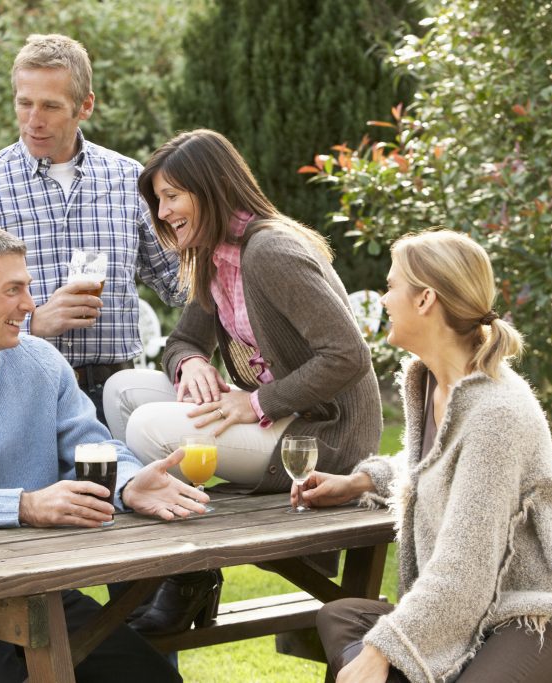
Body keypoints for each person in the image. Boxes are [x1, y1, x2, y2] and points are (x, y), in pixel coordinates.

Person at [0, 223, 207, 683]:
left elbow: (94, 443)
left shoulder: (41, 362)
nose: (30, 304)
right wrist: (25, 505)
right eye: (13, 290)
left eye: (26, 288)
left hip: (40, 594)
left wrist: (128, 482)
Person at [102, 129, 383, 636]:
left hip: (322, 434)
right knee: (123, 389)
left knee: (147, 427)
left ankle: (181, 578)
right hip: (272, 415)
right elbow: (181, 342)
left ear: (210, 190)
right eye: (159, 200)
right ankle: (194, 576)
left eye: (171, 197)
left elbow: (348, 355)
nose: (162, 213)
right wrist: (191, 365)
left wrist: (256, 402)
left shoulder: (269, 251)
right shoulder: (212, 255)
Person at [304, 229, 552, 683]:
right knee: (340, 618)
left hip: (536, 610)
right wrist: (361, 481)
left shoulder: (496, 412)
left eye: (391, 287)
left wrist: (387, 647)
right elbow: (437, 465)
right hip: (477, 605)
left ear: (426, 299)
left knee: (375, 649)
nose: (383, 300)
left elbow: (463, 571)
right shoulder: (430, 385)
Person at [0, 33, 184, 425]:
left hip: (115, 398)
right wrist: (32, 323)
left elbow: (182, 283)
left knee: (126, 488)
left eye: (50, 106)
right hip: (18, 396)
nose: (34, 120)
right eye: (24, 103)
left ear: (86, 106)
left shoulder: (130, 180)